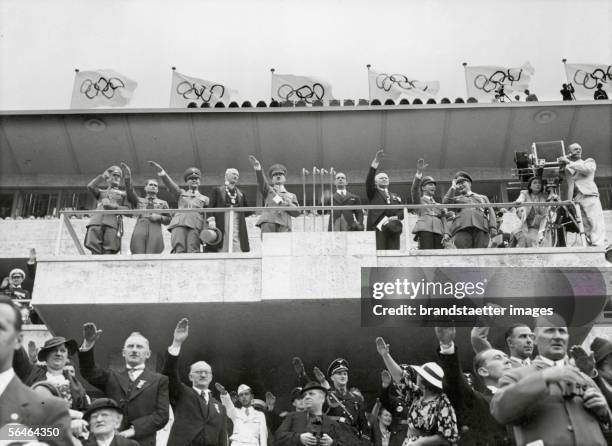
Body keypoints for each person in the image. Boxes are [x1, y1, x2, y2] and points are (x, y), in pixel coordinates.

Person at [490, 315, 611, 446]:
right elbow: (500, 411)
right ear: (534, 339)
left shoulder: (585, 378)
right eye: (549, 331)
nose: (558, 336)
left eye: (562, 331)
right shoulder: (515, 376)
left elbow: (606, 427)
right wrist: (544, 377)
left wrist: (604, 414)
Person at [78, 323, 169, 446]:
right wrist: (88, 344)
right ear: (123, 352)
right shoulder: (112, 377)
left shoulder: (159, 380)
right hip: (111, 441)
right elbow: (89, 371)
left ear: (148, 354)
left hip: (143, 442)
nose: (134, 350)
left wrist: (132, 430)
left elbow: (162, 416)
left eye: (139, 347)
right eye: (130, 346)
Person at [0, 297, 73, 446]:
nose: (58, 354)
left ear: (18, 340)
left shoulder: (51, 411)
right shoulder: (35, 372)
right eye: (54, 351)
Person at [435, 326, 513, 445]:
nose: (507, 361)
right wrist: (447, 346)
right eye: (498, 358)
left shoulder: (524, 395)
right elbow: (455, 381)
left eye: (506, 357)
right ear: (483, 371)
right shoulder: (477, 401)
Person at [375, 338, 459, 445]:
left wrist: (421, 441)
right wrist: (385, 355)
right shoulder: (417, 395)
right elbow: (400, 377)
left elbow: (448, 437)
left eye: (420, 375)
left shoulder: (443, 403)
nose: (417, 376)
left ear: (425, 381)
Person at [162, 318, 228, 446]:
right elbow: (169, 375)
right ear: (190, 377)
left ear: (211, 377)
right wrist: (176, 343)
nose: (203, 375)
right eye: (198, 372)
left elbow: (222, 439)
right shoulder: (182, 393)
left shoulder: (220, 407)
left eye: (206, 372)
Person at [13, 336, 89, 412]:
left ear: (67, 357)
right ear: (45, 355)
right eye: (54, 350)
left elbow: (85, 410)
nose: (58, 353)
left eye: (62, 351)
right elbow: (18, 356)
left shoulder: (76, 384)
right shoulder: (32, 373)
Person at [148, 161, 209, 253]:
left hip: (195, 226)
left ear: (199, 181)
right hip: (179, 224)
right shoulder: (181, 194)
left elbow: (208, 216)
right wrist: (162, 172)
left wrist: (206, 231)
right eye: (191, 178)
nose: (194, 180)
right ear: (187, 182)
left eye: (196, 178)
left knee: (193, 250)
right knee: (179, 249)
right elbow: (171, 185)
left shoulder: (205, 199)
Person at [558, 142, 607, 246]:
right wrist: (569, 201)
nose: (578, 150)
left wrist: (568, 161)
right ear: (569, 152)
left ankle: (599, 243)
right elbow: (570, 185)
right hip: (577, 198)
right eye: (575, 149)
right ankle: (592, 242)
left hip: (589, 194)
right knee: (583, 222)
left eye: (579, 149)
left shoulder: (589, 161)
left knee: (594, 219)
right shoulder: (568, 167)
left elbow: (587, 170)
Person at [120, 163, 170, 254]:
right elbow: (130, 191)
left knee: (153, 251)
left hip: (155, 226)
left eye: (155, 186)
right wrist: (127, 177)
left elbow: (169, 219)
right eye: (151, 185)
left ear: (158, 190)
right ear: (145, 188)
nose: (153, 187)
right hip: (141, 225)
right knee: (138, 249)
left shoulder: (163, 203)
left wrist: (160, 217)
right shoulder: (138, 200)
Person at [442, 171, 497, 248]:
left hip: (481, 226)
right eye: (458, 184)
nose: (460, 185)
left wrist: (493, 227)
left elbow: (491, 212)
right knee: (464, 254)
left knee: (481, 253)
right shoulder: (455, 199)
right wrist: (453, 187)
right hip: (462, 227)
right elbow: (445, 203)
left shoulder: (482, 197)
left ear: (469, 183)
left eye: (462, 182)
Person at [274, 381, 340, 446]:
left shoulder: (333, 424)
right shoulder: (292, 417)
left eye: (311, 394)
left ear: (322, 398)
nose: (306, 397)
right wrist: (299, 438)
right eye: (304, 395)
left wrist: (332, 443)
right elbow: (277, 436)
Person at [84, 165, 130, 255]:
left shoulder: (123, 194)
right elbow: (90, 186)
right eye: (114, 175)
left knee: (108, 251)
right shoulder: (101, 192)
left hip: (111, 223)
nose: (116, 177)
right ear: (108, 178)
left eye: (118, 176)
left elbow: (128, 210)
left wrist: (114, 207)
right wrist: (103, 176)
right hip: (96, 222)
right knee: (94, 250)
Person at [324, 358, 370, 445]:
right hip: (334, 441)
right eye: (339, 374)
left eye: (345, 374)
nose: (343, 376)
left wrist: (364, 442)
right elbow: (317, 417)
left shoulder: (357, 399)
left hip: (352, 441)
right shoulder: (327, 397)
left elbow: (364, 426)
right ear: (332, 377)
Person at [249, 156, 299, 234]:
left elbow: (297, 212)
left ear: (284, 178)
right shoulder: (268, 190)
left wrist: (287, 203)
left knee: (283, 246)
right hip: (269, 223)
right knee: (268, 245)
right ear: (272, 179)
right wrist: (258, 168)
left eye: (280, 174)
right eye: (275, 175)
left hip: (284, 225)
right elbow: (262, 181)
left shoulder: (292, 195)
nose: (278, 176)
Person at [206, 168, 252, 252]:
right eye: (233, 174)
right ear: (226, 176)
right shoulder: (217, 190)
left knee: (236, 238)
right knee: (223, 238)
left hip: (236, 219)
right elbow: (211, 206)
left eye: (237, 175)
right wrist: (211, 220)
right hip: (222, 218)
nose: (236, 176)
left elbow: (248, 210)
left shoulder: (241, 193)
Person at [366, 149, 404, 250]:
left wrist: (395, 217)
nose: (384, 179)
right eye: (381, 178)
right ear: (375, 182)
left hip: (393, 227)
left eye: (386, 178)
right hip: (378, 226)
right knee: (380, 251)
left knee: (394, 251)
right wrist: (376, 162)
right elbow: (369, 181)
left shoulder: (395, 196)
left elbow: (402, 211)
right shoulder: (373, 193)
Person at [410, 158, 447, 249]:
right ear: (423, 188)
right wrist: (419, 173)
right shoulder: (419, 201)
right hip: (424, 229)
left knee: (440, 256)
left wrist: (446, 233)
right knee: (426, 253)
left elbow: (443, 219)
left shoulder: (438, 204)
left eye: (434, 185)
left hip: (439, 230)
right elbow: (414, 190)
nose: (433, 186)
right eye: (430, 184)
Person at [513, 176, 551, 247]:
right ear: (530, 186)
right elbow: (520, 199)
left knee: (543, 242)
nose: (538, 185)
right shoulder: (525, 193)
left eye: (539, 183)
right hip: (528, 226)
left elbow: (550, 205)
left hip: (540, 226)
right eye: (535, 183)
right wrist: (519, 202)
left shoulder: (545, 195)